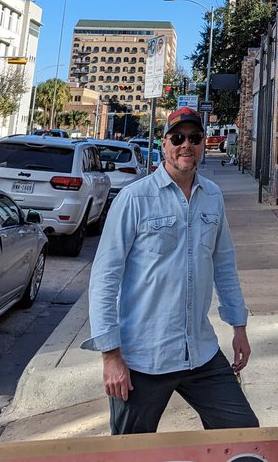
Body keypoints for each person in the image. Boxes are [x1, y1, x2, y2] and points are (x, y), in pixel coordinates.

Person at [82, 106, 258, 435]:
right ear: (164, 144)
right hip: (143, 359)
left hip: (200, 353)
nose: (185, 145)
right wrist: (110, 356)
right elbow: (105, 279)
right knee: (130, 452)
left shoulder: (212, 196)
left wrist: (239, 326)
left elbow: (224, 266)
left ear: (203, 144)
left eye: (194, 138)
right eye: (177, 138)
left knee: (244, 437)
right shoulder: (135, 199)